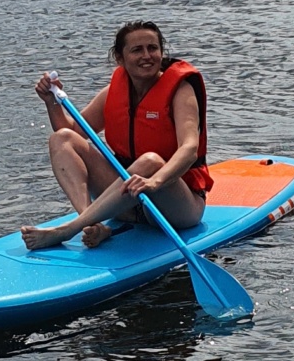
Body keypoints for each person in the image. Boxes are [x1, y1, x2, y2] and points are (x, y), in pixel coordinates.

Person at [22, 20, 213, 251]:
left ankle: (68, 229)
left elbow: (189, 149)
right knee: (61, 139)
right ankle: (91, 224)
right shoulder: (113, 92)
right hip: (126, 200)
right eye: (137, 50)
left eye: (152, 48)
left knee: (150, 161)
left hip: (174, 204)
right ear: (120, 58)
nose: (147, 56)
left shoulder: (181, 91)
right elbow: (72, 132)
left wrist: (155, 181)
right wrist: (51, 102)